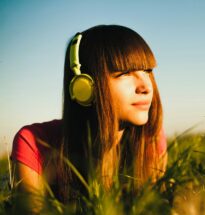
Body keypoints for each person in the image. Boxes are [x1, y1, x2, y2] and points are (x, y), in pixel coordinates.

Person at [11, 25, 167, 212]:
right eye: (125, 73)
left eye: (147, 71)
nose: (146, 87)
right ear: (84, 86)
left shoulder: (151, 139)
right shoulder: (34, 143)